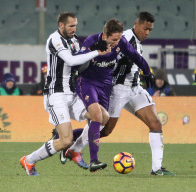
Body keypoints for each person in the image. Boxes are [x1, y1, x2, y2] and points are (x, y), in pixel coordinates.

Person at [68, 12, 175, 176]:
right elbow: (105, 60)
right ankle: (72, 144)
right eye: (145, 28)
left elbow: (136, 58)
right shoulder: (122, 38)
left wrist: (148, 74)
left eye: (150, 30)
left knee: (155, 124)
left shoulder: (133, 42)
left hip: (135, 88)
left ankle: (157, 168)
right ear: (136, 24)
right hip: (117, 89)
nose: (147, 32)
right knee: (104, 129)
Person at [20, 12, 110, 176]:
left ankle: (74, 151)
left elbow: (81, 62)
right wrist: (97, 52)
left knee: (102, 116)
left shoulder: (74, 41)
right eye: (71, 26)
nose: (74, 29)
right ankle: (29, 160)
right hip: (56, 95)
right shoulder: (54, 40)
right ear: (61, 25)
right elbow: (71, 61)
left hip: (72, 93)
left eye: (75, 25)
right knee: (65, 140)